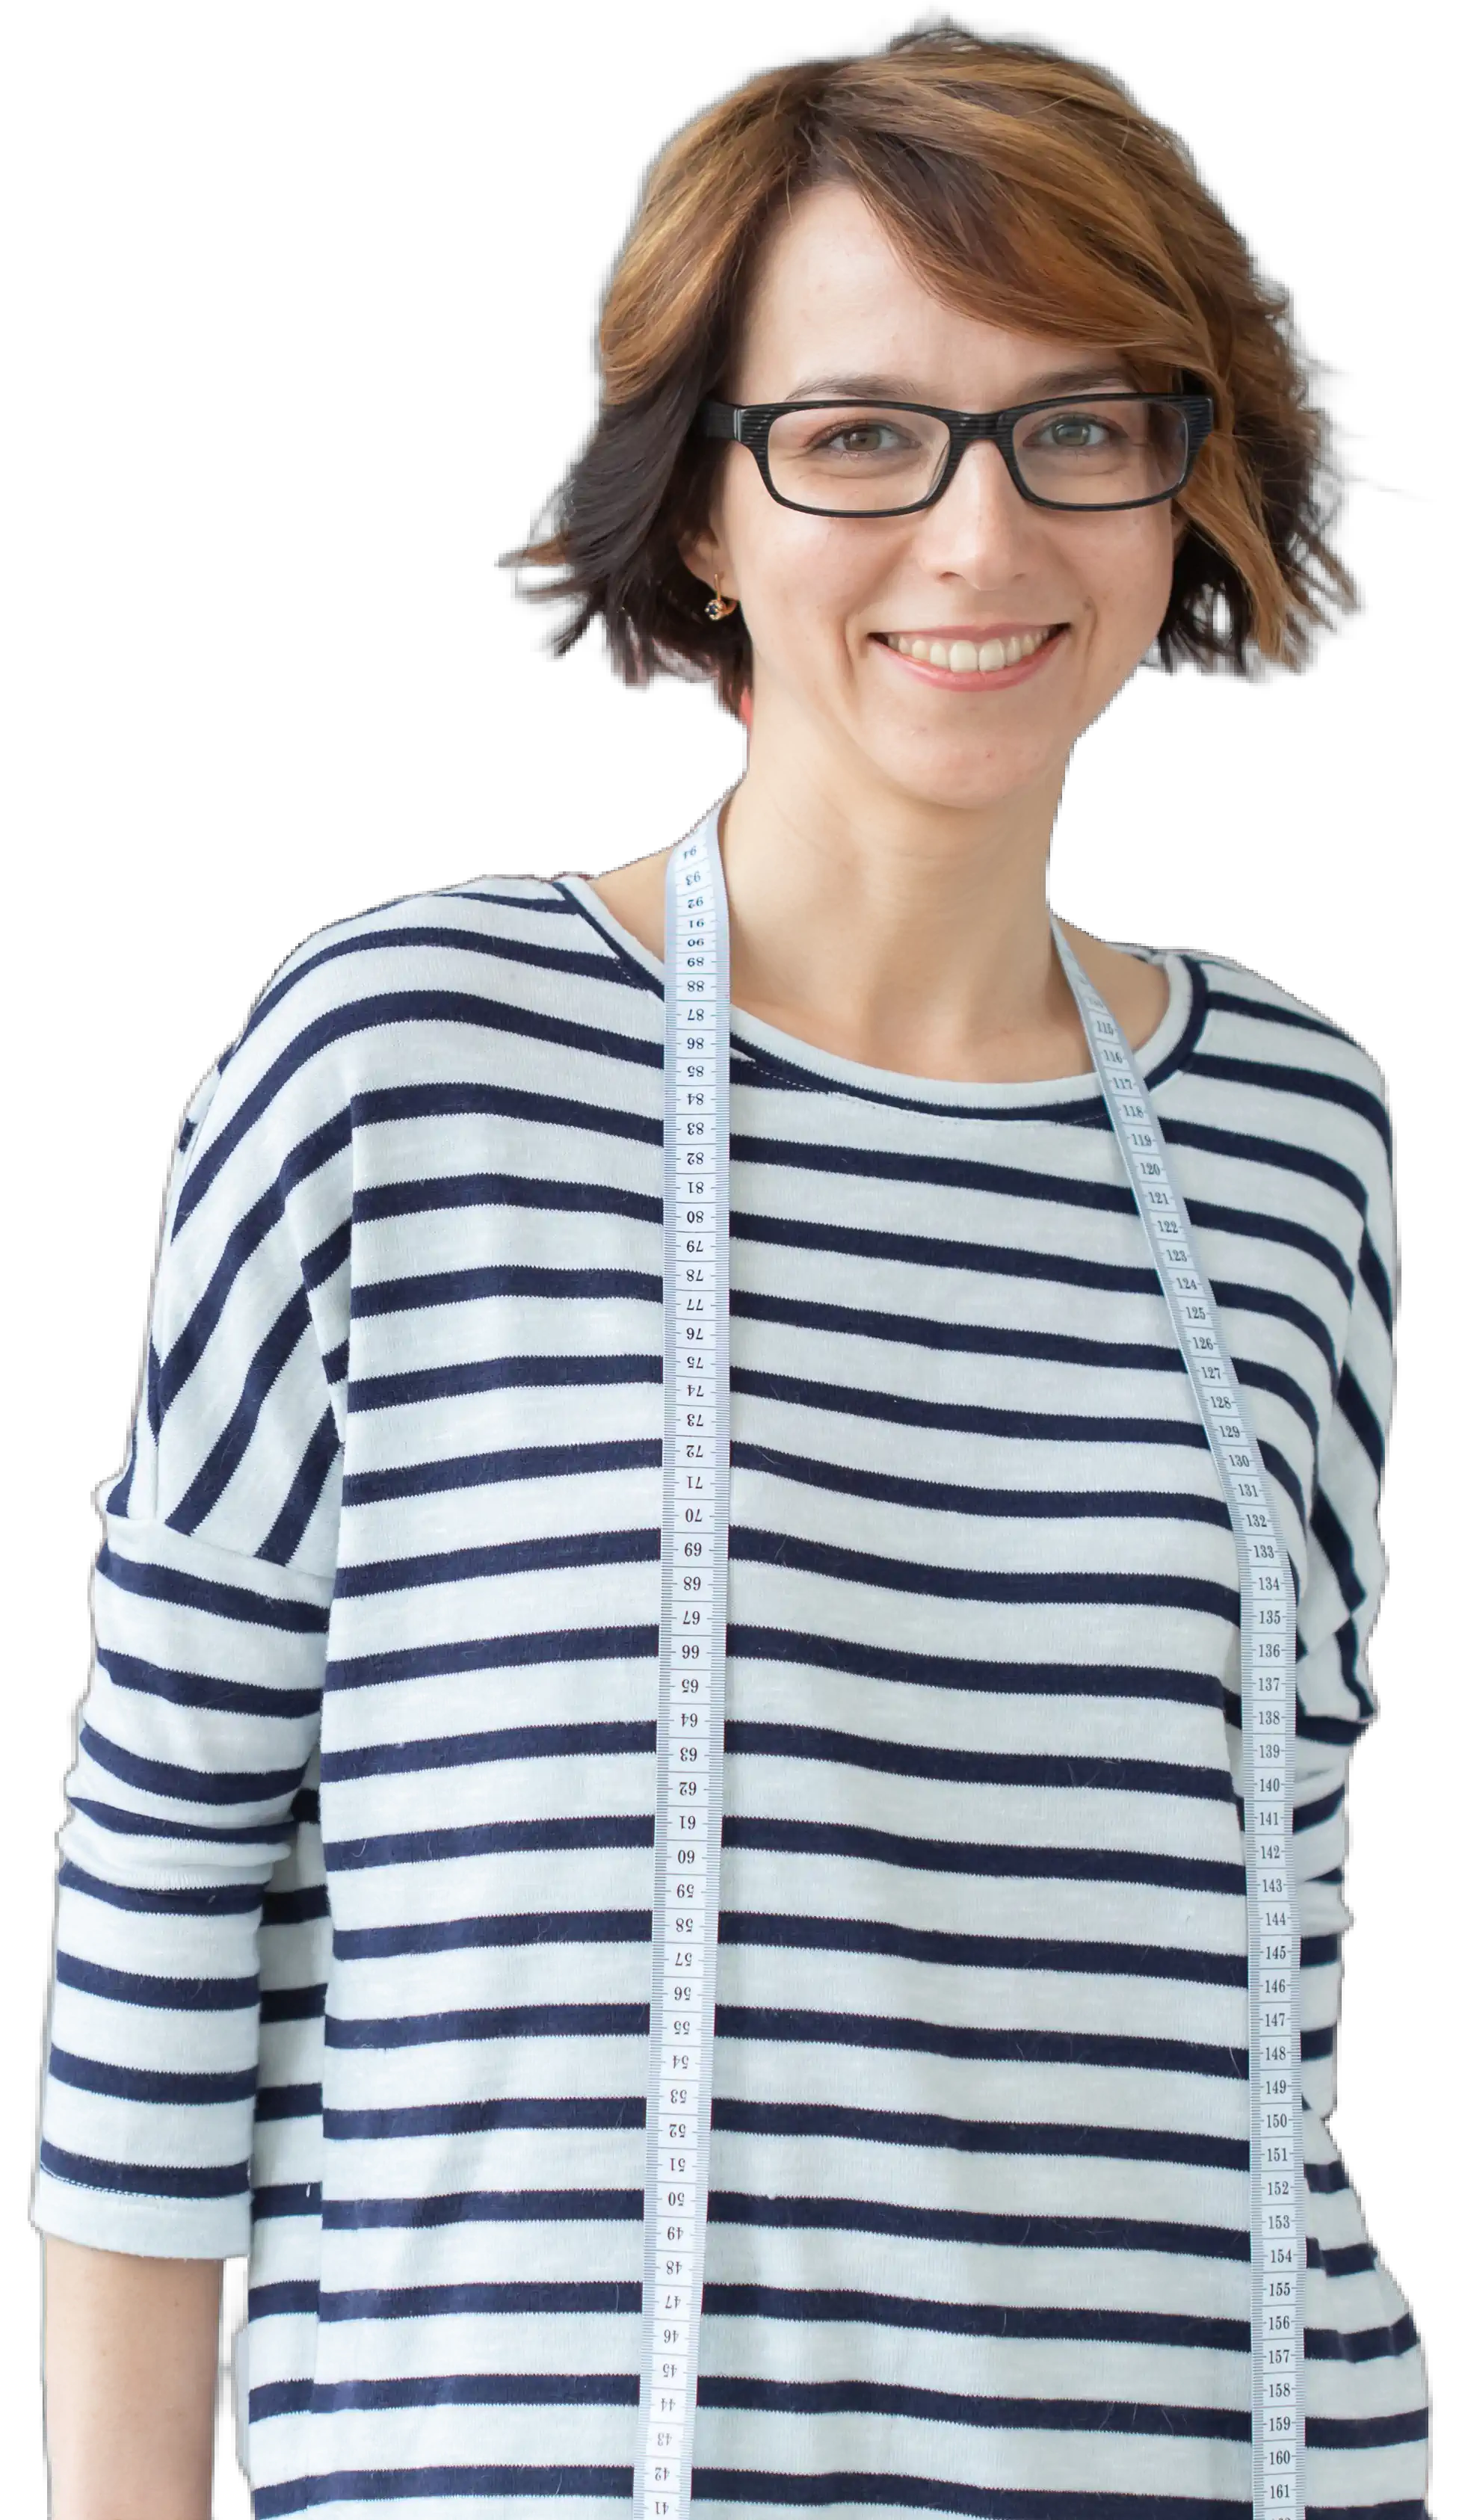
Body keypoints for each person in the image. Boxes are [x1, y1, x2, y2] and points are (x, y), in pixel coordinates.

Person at [35, 22, 1431, 2519]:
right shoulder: (400, 1063)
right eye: (863, 434)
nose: (982, 539)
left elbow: (1272, 1945)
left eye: (1080, 425)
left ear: (1186, 475)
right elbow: (161, 1886)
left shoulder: (1295, 1134)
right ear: (696, 503)